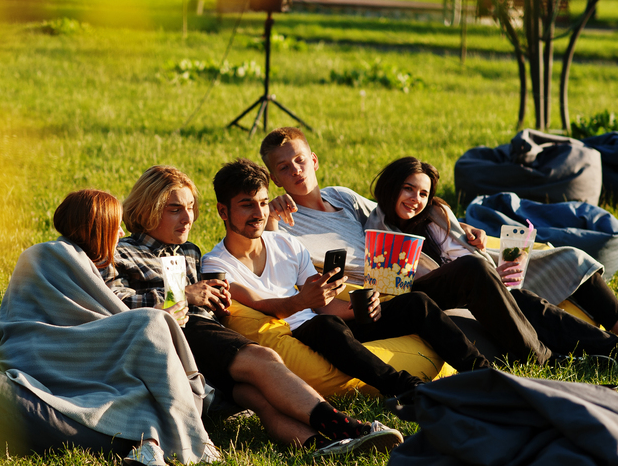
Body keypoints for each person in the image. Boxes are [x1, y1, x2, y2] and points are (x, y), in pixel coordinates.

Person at [102, 166, 404, 456]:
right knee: (263, 357)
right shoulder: (122, 252)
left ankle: (320, 446)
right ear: (147, 209)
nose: (188, 218)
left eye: (191, 207)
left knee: (255, 396)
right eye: (175, 209)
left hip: (207, 344)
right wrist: (183, 296)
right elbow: (114, 303)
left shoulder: (190, 252)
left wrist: (217, 302)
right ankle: (346, 427)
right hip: (174, 337)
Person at [258, 126, 553, 364]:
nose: (296, 170)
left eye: (299, 160)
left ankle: (537, 355)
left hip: (398, 279)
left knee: (479, 271)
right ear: (274, 179)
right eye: (284, 167)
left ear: (314, 160)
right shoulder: (281, 220)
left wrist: (460, 226)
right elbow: (277, 264)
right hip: (368, 301)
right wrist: (271, 216)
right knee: (461, 278)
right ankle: (532, 359)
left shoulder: (342, 197)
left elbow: (395, 212)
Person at [201, 159, 490, 398]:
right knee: (325, 325)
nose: (259, 213)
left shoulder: (286, 244)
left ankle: (482, 373)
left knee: (416, 303)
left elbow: (325, 304)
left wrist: (361, 308)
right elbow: (260, 304)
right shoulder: (215, 263)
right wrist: (303, 301)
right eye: (247, 205)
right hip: (299, 334)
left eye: (263, 203)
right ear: (223, 211)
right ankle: (405, 389)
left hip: (326, 323)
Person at [0, 189, 218, 466]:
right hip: (44, 350)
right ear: (96, 229)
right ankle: (193, 441)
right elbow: (86, 315)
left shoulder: (81, 259)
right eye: (115, 227)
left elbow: (100, 313)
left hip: (76, 343)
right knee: (150, 325)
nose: (121, 232)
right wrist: (155, 317)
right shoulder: (51, 253)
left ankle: (149, 449)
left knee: (136, 383)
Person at [367, 157, 618, 360]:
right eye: (408, 188)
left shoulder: (435, 214)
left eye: (423, 193)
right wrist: (484, 275)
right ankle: (581, 352)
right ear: (391, 186)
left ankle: (612, 345)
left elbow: (461, 245)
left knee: (568, 262)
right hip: (447, 292)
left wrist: (469, 234)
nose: (416, 199)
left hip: (485, 271)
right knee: (499, 285)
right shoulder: (379, 230)